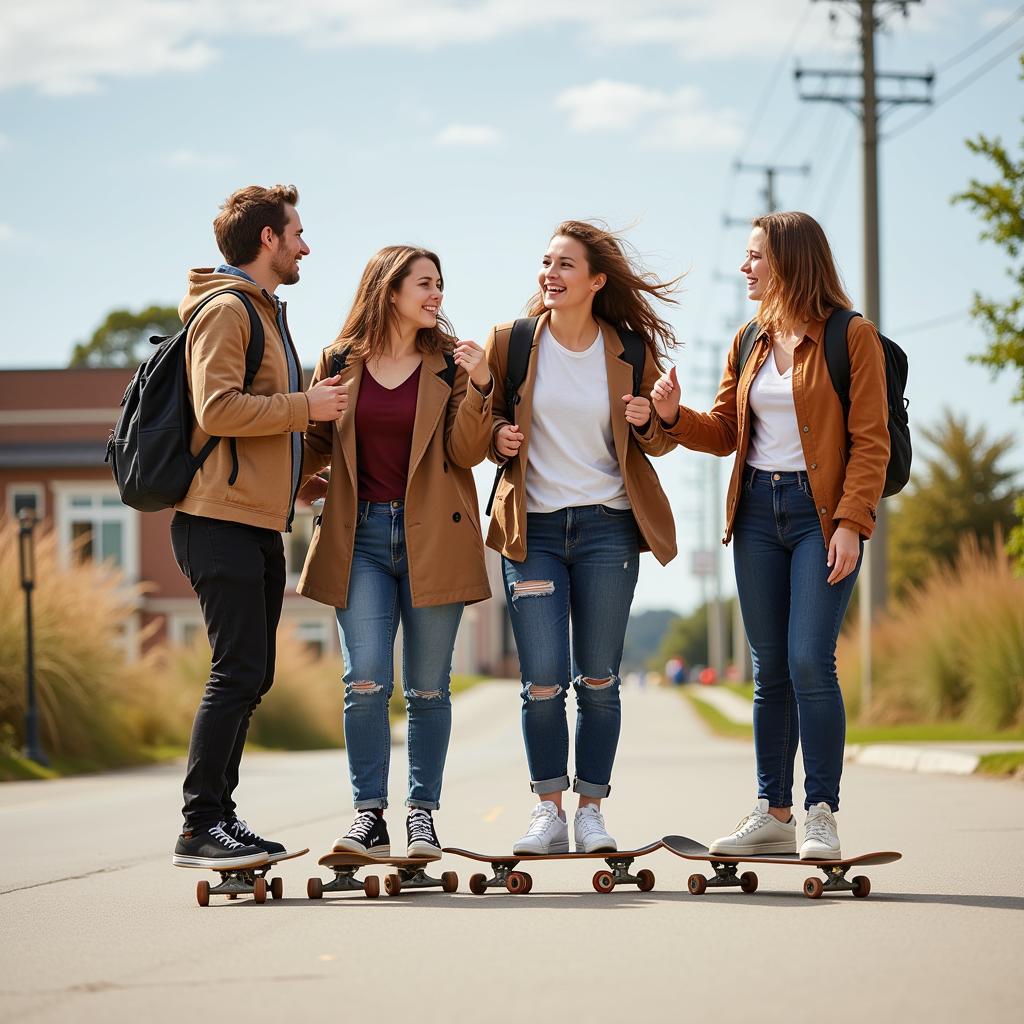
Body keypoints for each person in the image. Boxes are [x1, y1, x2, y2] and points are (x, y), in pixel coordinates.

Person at [651, 211, 889, 859]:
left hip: (821, 517)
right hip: (756, 512)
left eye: (755, 255)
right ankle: (773, 811)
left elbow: (871, 442)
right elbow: (727, 430)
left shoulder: (851, 336)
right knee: (768, 672)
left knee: (810, 659)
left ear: (788, 260)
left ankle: (820, 813)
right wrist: (673, 417)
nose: (744, 267)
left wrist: (850, 522)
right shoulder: (751, 339)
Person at [485, 220, 679, 856]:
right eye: (546, 262)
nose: (551, 274)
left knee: (598, 678)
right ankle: (548, 809)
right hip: (533, 527)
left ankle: (591, 809)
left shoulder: (627, 350)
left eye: (566, 265)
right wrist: (494, 439)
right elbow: (476, 424)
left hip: (607, 529)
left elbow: (658, 440)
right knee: (543, 678)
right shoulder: (511, 343)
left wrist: (656, 418)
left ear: (596, 281)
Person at [171, 185, 349, 869]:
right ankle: (199, 824)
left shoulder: (263, 313)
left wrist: (299, 478)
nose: (306, 244)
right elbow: (218, 410)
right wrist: (307, 406)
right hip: (216, 522)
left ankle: (222, 816)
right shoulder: (226, 310)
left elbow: (252, 422)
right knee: (236, 670)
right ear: (268, 239)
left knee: (252, 673)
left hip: (253, 518)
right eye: (297, 232)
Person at [296, 245, 493, 859]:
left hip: (434, 536)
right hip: (360, 541)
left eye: (440, 285)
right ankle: (368, 816)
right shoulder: (337, 360)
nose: (437, 296)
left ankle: (422, 819)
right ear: (389, 290)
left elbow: (468, 453)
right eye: (425, 284)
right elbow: (315, 439)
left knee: (429, 688)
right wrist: (304, 481)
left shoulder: (451, 365)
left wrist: (483, 385)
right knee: (365, 681)